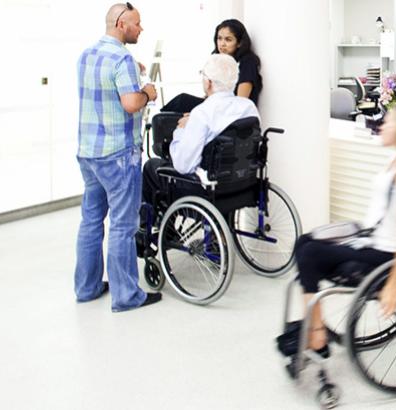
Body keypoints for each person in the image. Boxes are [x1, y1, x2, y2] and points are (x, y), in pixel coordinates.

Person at [292, 103, 396, 356]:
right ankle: (316, 327)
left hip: (386, 254)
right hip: (373, 240)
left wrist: (393, 283)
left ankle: (317, 338)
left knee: (310, 254)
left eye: (390, 122)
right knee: (304, 242)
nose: (383, 125)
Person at [74, 3, 160, 312]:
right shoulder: (121, 57)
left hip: (88, 153)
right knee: (123, 226)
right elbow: (130, 103)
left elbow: (104, 88)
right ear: (122, 24)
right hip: (118, 155)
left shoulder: (87, 54)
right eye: (137, 24)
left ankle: (87, 288)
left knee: (91, 221)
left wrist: (129, 70)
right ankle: (126, 296)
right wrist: (148, 92)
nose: (141, 29)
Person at [142, 53, 260, 204]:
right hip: (243, 184)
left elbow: (183, 166)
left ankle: (151, 225)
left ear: (208, 82)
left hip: (207, 190)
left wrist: (181, 129)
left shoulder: (202, 113)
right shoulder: (248, 107)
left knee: (152, 167)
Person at [162, 19, 263, 113]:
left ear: (239, 43)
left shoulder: (248, 62)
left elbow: (240, 102)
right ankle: (158, 120)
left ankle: (157, 122)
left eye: (228, 40)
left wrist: (204, 113)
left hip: (230, 113)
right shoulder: (220, 61)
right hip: (218, 107)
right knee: (181, 106)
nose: (222, 44)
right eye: (219, 38)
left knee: (182, 101)